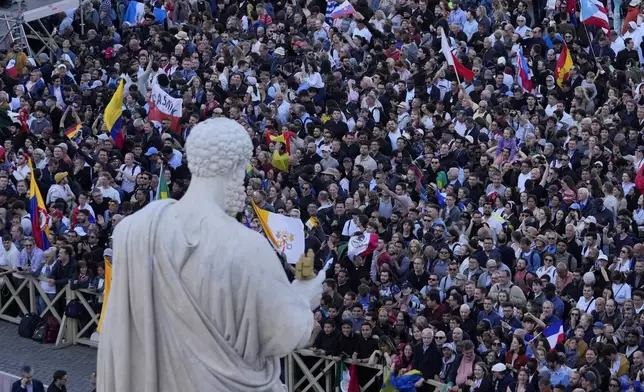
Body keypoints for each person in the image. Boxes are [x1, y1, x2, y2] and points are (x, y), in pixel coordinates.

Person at [97, 119, 322, 391]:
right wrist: (303, 298)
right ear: (235, 167)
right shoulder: (248, 247)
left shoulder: (133, 231)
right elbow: (283, 334)